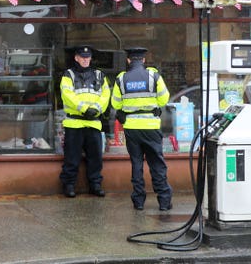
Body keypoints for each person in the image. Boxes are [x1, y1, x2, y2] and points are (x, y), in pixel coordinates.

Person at [111, 47, 172, 211]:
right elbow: (164, 99)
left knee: (136, 164)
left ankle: (138, 202)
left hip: (131, 129)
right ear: (143, 60)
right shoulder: (154, 76)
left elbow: (116, 104)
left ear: (128, 60)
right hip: (151, 128)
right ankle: (164, 202)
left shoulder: (121, 78)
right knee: (157, 164)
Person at [59, 45, 110, 198]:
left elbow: (106, 94)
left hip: (93, 122)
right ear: (76, 58)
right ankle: (68, 185)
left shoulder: (99, 75)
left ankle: (95, 185)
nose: (85, 59)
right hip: (74, 123)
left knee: (95, 159)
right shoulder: (69, 75)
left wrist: (97, 109)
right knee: (71, 158)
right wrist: (85, 109)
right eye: (82, 57)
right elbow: (67, 94)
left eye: (87, 57)